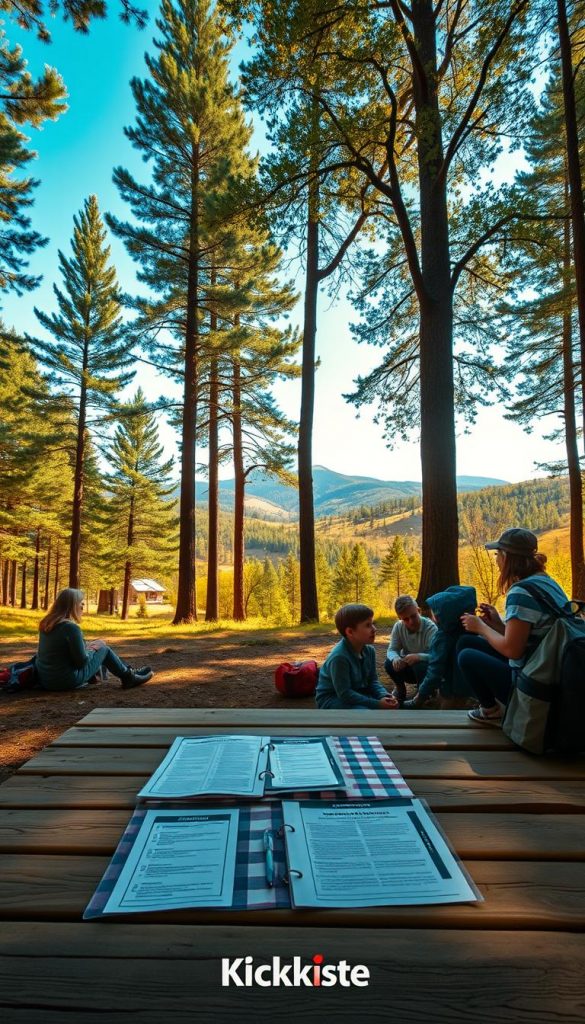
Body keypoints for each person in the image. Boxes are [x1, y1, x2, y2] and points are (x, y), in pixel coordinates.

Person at [458, 528, 569, 726]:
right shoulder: (546, 582)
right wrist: (498, 625)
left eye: (497, 554)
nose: (496, 560)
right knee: (466, 642)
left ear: (507, 557)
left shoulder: (521, 592)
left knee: (466, 656)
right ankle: (494, 706)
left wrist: (481, 628)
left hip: (533, 684)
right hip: (548, 669)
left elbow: (513, 650)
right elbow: (529, 639)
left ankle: (493, 712)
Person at [36, 588, 154, 691]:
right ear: (72, 605)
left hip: (47, 680)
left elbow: (61, 653)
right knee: (104, 649)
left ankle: (129, 672)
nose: (82, 606)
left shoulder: (47, 624)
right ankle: (129, 677)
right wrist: (92, 649)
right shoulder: (70, 628)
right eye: (80, 603)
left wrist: (88, 647)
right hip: (66, 681)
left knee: (97, 645)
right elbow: (81, 662)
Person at [401, 585, 477, 709]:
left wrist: (420, 696)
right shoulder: (472, 631)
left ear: (447, 615)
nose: (432, 616)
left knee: (447, 716)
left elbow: (434, 670)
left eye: (435, 613)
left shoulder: (443, 638)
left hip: (451, 689)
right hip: (471, 689)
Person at [315, 603, 399, 710]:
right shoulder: (339, 658)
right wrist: (377, 704)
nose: (374, 629)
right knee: (365, 713)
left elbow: (372, 681)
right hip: (333, 699)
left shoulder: (369, 651)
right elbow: (345, 693)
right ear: (350, 631)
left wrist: (384, 696)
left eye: (372, 624)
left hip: (357, 693)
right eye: (368, 625)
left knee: (389, 706)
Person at [384, 595, 437, 703]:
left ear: (419, 611)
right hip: (408, 667)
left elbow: (437, 656)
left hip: (427, 670)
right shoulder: (398, 627)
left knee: (420, 664)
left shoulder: (431, 628)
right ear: (400, 618)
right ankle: (400, 689)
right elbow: (392, 650)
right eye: (405, 619)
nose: (411, 621)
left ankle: (424, 693)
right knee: (389, 663)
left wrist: (419, 657)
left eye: (413, 616)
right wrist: (395, 658)